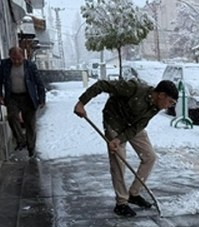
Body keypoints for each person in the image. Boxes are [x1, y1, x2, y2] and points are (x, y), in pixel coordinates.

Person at [73, 78, 179, 217]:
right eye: (170, 102)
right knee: (119, 161)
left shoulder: (155, 107)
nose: (169, 106)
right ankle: (121, 203)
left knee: (149, 157)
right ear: (161, 95)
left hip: (132, 126)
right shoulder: (134, 88)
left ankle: (134, 194)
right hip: (115, 121)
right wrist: (81, 103)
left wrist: (120, 139)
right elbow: (102, 84)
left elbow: (138, 126)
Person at [0, 47, 46, 157]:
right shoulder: (5, 65)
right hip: (12, 96)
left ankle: (31, 147)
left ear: (23, 56)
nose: (17, 61)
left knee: (30, 124)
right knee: (12, 117)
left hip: (28, 97)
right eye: (14, 59)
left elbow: (39, 82)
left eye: (19, 59)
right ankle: (21, 140)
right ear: (10, 57)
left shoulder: (30, 66)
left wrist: (42, 99)